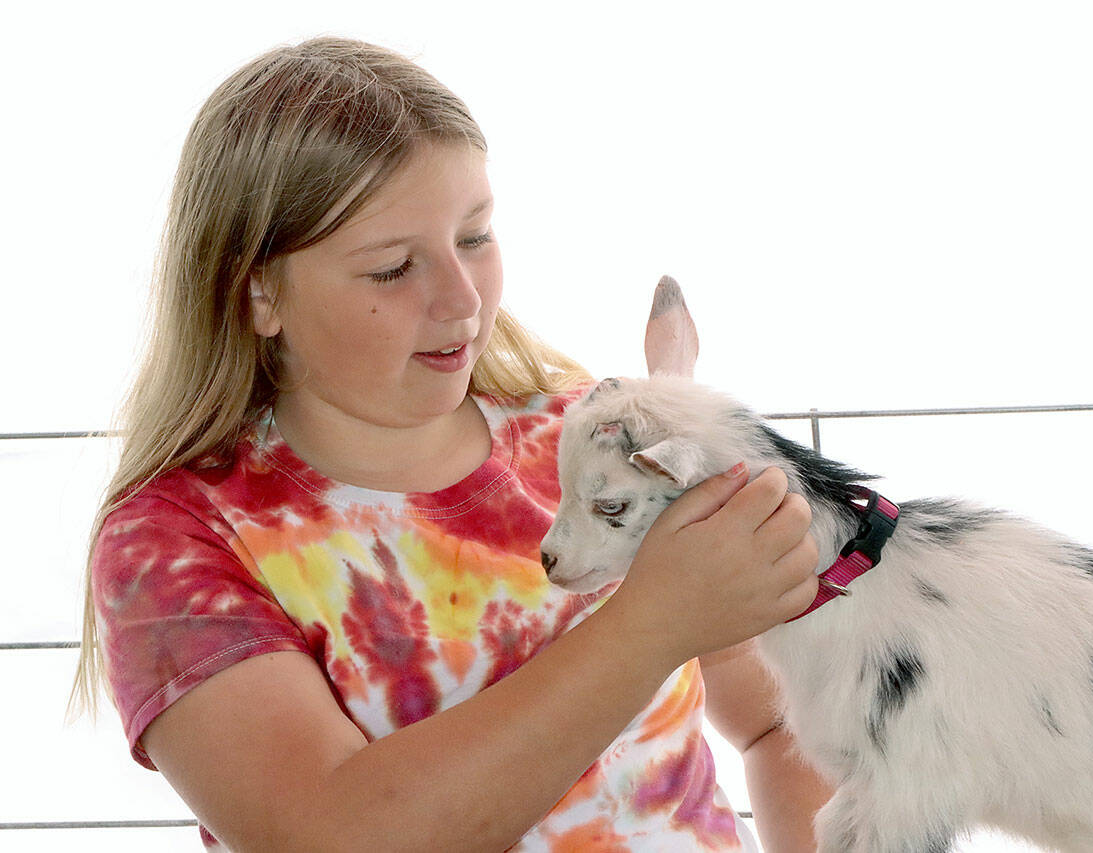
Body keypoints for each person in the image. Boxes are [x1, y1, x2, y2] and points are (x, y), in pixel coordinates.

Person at [73, 36, 831, 851]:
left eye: (474, 237)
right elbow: (326, 835)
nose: (463, 300)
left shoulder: (593, 446)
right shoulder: (173, 542)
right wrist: (653, 622)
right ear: (258, 289)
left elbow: (784, 729)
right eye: (393, 267)